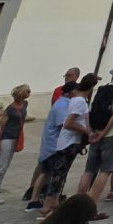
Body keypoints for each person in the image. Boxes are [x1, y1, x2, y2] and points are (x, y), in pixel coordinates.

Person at [77, 60, 113, 214]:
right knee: (105, 170)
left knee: (89, 170)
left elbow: (90, 111)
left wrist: (92, 131)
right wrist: (105, 131)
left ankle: (77, 203)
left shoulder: (102, 88)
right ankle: (91, 207)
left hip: (96, 131)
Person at [38, 73, 96, 216]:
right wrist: (85, 131)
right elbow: (69, 123)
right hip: (68, 142)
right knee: (58, 174)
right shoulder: (80, 101)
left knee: (61, 173)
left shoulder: (76, 99)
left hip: (69, 142)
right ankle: (47, 206)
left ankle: (54, 203)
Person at [25, 79, 77, 205]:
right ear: (71, 92)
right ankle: (41, 199)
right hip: (54, 145)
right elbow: (63, 125)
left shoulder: (63, 103)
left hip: (52, 144)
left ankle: (36, 198)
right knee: (49, 173)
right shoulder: (62, 105)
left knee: (46, 173)